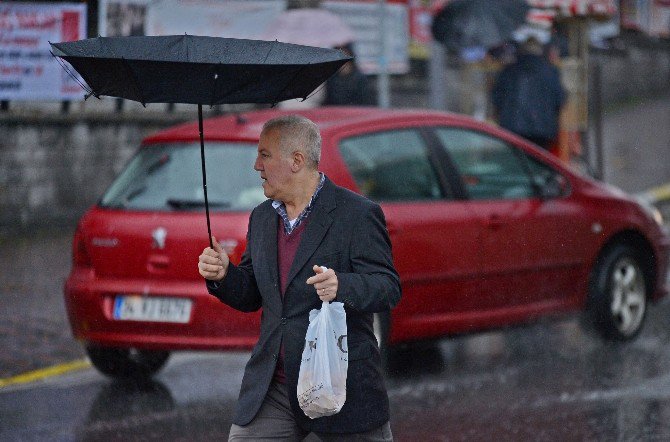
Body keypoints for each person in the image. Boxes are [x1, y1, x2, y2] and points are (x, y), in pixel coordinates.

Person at [198, 115, 400, 441]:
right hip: (274, 387)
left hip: (339, 384)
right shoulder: (263, 216)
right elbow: (253, 294)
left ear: (296, 160)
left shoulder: (357, 214)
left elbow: (388, 287)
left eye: (265, 155)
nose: (255, 165)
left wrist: (341, 285)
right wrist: (225, 275)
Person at [491, 36, 566, 151]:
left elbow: (496, 98)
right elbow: (560, 99)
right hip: (543, 131)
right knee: (539, 162)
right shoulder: (551, 71)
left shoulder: (508, 71)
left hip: (513, 129)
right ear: (540, 51)